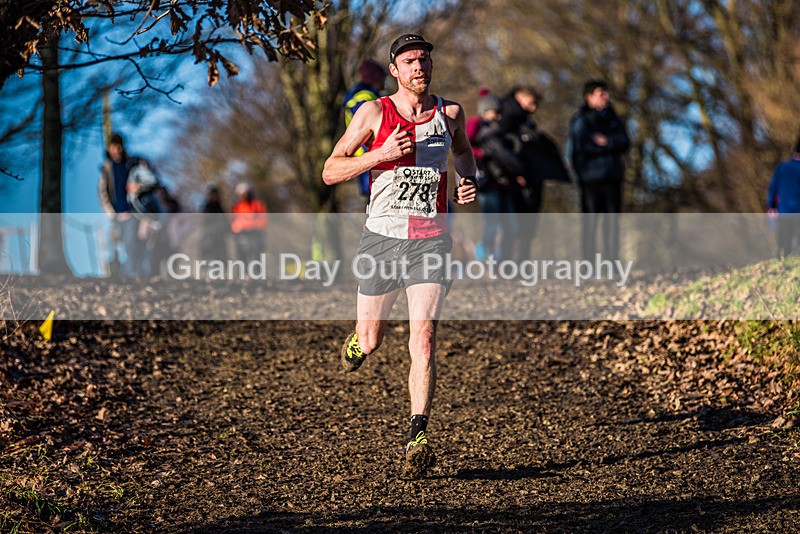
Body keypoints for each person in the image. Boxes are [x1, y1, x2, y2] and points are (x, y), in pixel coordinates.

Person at [322, 33, 478, 479]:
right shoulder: (374, 113)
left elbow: (464, 156)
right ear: (394, 70)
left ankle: (417, 436)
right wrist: (379, 154)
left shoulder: (450, 114)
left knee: (424, 339)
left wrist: (469, 182)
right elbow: (331, 170)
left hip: (431, 240)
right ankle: (358, 341)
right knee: (371, 340)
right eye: (409, 61)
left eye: (424, 60)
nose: (419, 67)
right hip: (381, 240)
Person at [569, 80, 630, 261]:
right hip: (590, 180)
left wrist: (606, 142)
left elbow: (625, 142)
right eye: (601, 94)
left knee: (612, 222)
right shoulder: (580, 120)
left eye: (607, 93)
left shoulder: (614, 118)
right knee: (591, 223)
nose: (606, 97)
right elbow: (581, 146)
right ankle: (589, 265)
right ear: (589, 97)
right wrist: (610, 145)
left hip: (613, 177)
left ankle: (612, 263)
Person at [467, 89, 522, 261]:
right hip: (487, 183)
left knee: (510, 226)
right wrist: (482, 153)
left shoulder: (501, 128)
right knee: (492, 224)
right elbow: (464, 147)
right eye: (494, 112)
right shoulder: (475, 123)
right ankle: (485, 255)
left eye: (499, 113)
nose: (497, 116)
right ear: (484, 110)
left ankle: (502, 261)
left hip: (505, 183)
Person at [99, 132, 153, 277]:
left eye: (118, 146)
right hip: (117, 214)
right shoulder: (106, 168)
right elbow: (103, 192)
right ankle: (125, 273)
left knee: (132, 243)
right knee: (118, 244)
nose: (116, 150)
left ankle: (133, 274)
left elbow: (149, 180)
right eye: (113, 147)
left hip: (133, 211)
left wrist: (139, 186)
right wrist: (110, 212)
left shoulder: (133, 163)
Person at [343, 60, 389, 201]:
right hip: (368, 156)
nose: (384, 83)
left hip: (367, 157)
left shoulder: (364, 95)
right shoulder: (365, 98)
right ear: (375, 78)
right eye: (382, 78)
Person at [767, 136, 800, 258]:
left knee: (785, 244)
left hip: (784, 211)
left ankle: (782, 264)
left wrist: (771, 207)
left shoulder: (782, 167)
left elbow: (772, 189)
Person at [229, 182, 268, 264]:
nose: (243, 196)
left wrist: (256, 227)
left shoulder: (257, 204)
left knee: (257, 254)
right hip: (242, 234)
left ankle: (257, 273)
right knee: (242, 253)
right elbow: (234, 220)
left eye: (245, 193)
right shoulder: (237, 206)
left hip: (255, 233)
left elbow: (263, 218)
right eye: (241, 194)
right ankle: (245, 273)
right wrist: (236, 228)